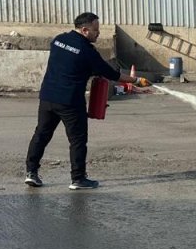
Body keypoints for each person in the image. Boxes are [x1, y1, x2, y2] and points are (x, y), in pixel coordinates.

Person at [25, 12, 147, 190]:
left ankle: (31, 173)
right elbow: (111, 74)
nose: (98, 33)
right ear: (84, 30)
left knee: (41, 135)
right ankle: (78, 178)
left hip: (48, 97)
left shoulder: (58, 40)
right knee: (78, 140)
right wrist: (136, 80)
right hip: (70, 101)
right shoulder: (87, 52)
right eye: (95, 30)